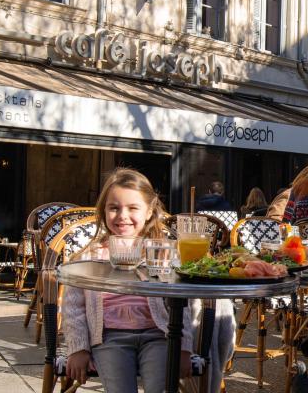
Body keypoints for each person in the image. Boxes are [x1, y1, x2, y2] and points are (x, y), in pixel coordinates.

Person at [62, 168, 235, 392]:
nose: (122, 216)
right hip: (109, 338)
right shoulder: (90, 257)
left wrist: (183, 347)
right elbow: (73, 307)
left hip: (159, 335)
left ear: (149, 211)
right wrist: (78, 348)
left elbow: (180, 302)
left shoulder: (162, 253)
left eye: (132, 208)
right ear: (103, 210)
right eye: (114, 208)